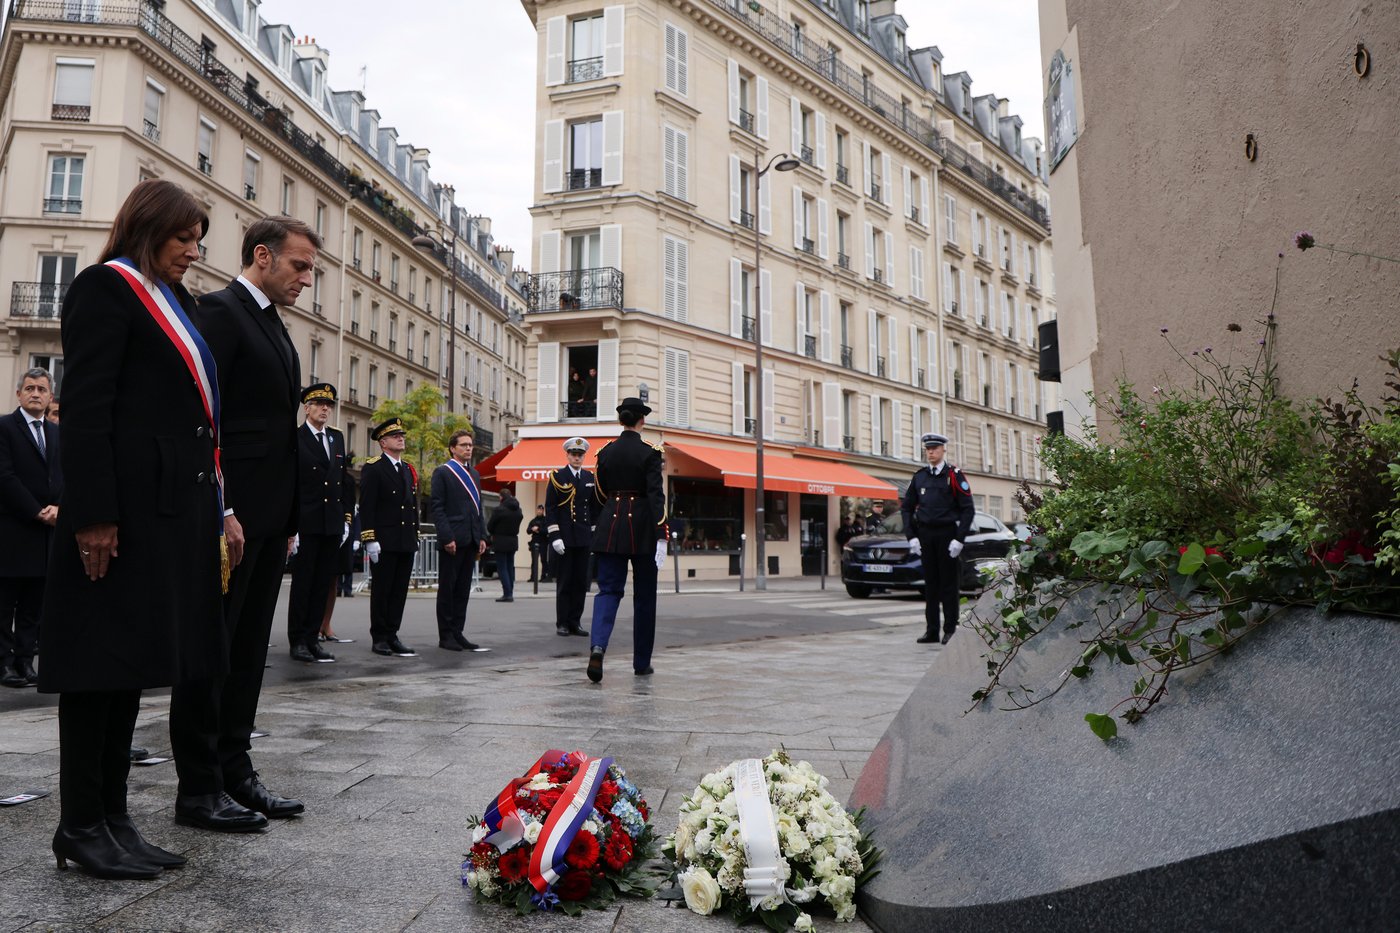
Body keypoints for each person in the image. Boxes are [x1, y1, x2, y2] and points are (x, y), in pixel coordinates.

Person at [39, 179, 224, 878]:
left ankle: (114, 819)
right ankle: (80, 824)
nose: (193, 251)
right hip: (115, 516)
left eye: (197, 239)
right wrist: (93, 514)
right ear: (148, 229)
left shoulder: (177, 303)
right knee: (97, 670)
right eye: (183, 237)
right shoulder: (104, 289)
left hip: (163, 516)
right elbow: (87, 409)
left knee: (127, 670)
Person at [170, 215, 316, 834]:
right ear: (262, 255)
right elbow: (204, 419)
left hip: (269, 518)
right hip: (230, 518)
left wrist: (286, 518)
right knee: (214, 650)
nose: (306, 279)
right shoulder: (219, 312)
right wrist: (224, 508)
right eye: (299, 265)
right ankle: (199, 787)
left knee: (249, 650)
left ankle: (236, 771)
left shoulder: (274, 323)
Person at [585, 398, 667, 684]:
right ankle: (641, 663)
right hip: (642, 528)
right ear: (642, 420)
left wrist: (605, 519)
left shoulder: (605, 452)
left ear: (621, 421)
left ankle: (598, 647)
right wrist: (661, 533)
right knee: (644, 597)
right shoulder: (651, 453)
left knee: (608, 591)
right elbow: (656, 497)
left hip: (610, 526)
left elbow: (599, 493)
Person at [0, 368, 62, 688]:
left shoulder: (56, 433)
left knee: (33, 604)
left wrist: (59, 507)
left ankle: (25, 661)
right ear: (19, 394)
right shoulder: (4, 427)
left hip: (46, 535)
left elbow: (65, 475)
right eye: (29, 388)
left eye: (41, 389)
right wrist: (37, 511)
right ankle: (3, 663)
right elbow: (5, 477)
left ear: (50, 396)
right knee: (4, 603)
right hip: (13, 531)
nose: (35, 393)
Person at [286, 384, 353, 664]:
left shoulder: (336, 438)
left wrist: (345, 519)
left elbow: (342, 480)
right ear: (307, 408)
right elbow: (290, 483)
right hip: (307, 522)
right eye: (319, 403)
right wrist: (292, 526)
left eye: (329, 404)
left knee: (322, 583)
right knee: (303, 584)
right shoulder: (296, 437)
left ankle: (313, 638)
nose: (325, 408)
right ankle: (298, 640)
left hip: (331, 523)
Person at [901, 433, 975, 645]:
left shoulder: (953, 475)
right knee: (931, 584)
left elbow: (968, 509)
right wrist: (911, 536)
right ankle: (931, 630)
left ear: (943, 450)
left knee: (949, 585)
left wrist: (959, 539)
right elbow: (906, 508)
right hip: (925, 535)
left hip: (947, 534)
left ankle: (950, 628)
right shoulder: (920, 477)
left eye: (934, 448)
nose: (931, 452)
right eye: (928, 449)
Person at [361, 418, 421, 657]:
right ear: (383, 442)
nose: (401, 438)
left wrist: (415, 535)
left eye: (402, 435)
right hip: (384, 540)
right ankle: (379, 637)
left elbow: (412, 506)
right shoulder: (374, 468)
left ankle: (392, 634)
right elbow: (368, 506)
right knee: (383, 590)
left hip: (405, 539)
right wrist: (369, 538)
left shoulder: (406, 469)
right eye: (395, 436)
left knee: (399, 591)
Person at [428, 429, 488, 652]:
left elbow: (478, 507)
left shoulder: (475, 474)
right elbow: (437, 508)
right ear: (453, 448)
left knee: (462, 590)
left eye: (470, 445)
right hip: (453, 539)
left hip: (471, 538)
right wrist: (446, 537)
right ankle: (445, 635)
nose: (468, 448)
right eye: (464, 445)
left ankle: (457, 632)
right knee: (448, 590)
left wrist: (482, 535)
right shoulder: (443, 472)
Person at [544, 437, 594, 638]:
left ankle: (575, 622)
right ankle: (562, 622)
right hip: (564, 537)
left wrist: (594, 532)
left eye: (580, 455)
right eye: (574, 454)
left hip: (583, 537)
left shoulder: (590, 477)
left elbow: (593, 507)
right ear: (567, 455)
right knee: (565, 582)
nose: (577, 458)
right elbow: (550, 508)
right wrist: (555, 536)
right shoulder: (558, 476)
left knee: (581, 582)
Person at [487, 492, 523, 602]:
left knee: (502, 568)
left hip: (500, 541)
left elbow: (490, 526)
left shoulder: (499, 510)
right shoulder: (518, 510)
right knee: (510, 567)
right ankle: (510, 592)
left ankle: (507, 594)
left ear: (502, 497)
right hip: (513, 540)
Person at [526, 504, 550, 583]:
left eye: (541, 510)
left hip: (543, 542)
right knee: (534, 561)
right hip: (534, 542)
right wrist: (532, 529)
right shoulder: (533, 521)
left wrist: (538, 529)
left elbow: (546, 531)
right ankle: (533, 577)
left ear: (543, 511)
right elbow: (528, 531)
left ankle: (543, 576)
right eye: (538, 510)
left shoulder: (545, 520)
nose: (539, 511)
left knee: (543, 560)